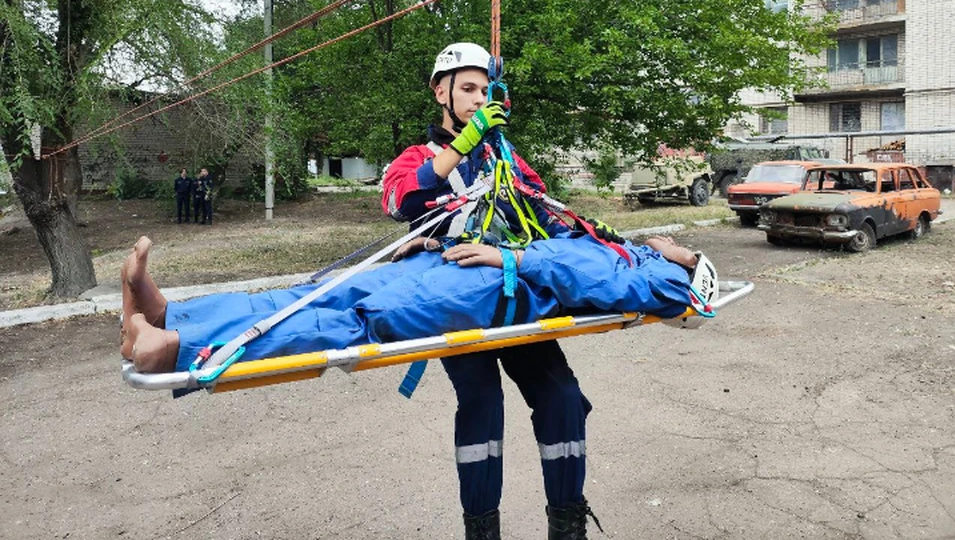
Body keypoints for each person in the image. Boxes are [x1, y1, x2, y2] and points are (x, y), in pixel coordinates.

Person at [379, 42, 664, 539]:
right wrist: (463, 145)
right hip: (459, 301)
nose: (478, 99)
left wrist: (600, 242)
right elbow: (401, 201)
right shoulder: (417, 157)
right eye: (468, 89)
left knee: (563, 397)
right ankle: (482, 530)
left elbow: (547, 215)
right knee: (483, 403)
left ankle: (568, 521)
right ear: (440, 91)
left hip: (513, 295)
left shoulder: (506, 160)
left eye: (485, 91)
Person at [120, 233, 711, 377]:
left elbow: (569, 271)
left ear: (689, 264)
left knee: (347, 322)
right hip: (460, 266)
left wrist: (516, 261)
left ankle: (176, 348)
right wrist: (448, 241)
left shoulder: (659, 277)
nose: (673, 241)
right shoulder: (618, 245)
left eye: (686, 248)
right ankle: (170, 314)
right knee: (317, 295)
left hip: (488, 289)